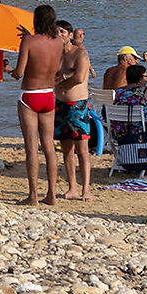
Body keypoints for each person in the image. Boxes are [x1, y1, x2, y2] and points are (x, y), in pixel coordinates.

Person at [14, 4, 66, 206]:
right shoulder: (58, 42)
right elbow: (56, 66)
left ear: (36, 20)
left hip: (29, 95)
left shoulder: (28, 41)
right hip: (48, 94)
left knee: (31, 147)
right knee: (49, 146)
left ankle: (33, 195)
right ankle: (52, 194)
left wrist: (12, 71)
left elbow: (20, 72)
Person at [53, 22, 97, 201]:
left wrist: (60, 80)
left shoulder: (80, 54)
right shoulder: (55, 56)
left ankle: (86, 188)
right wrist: (63, 78)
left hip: (77, 105)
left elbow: (78, 78)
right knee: (66, 150)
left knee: (82, 149)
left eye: (62, 32)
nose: (59, 35)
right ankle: (72, 187)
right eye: (55, 32)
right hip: (60, 104)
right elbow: (47, 77)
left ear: (70, 35)